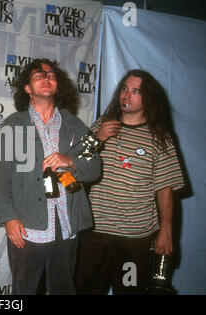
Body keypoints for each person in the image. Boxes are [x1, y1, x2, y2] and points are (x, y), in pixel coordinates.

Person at [0, 58, 101, 294]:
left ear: (58, 86)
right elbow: (1, 180)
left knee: (64, 289)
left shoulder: (75, 125)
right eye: (39, 75)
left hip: (66, 222)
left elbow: (95, 169)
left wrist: (70, 161)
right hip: (28, 227)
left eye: (50, 74)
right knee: (25, 290)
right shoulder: (13, 125)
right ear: (27, 88)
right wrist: (8, 218)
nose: (46, 77)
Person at [76, 69, 185, 295]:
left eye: (136, 91)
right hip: (94, 233)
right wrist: (98, 138)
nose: (127, 95)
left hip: (134, 239)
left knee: (129, 290)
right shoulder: (100, 126)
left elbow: (165, 188)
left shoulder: (159, 137)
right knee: (85, 289)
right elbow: (77, 166)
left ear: (148, 97)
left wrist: (166, 230)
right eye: (125, 88)